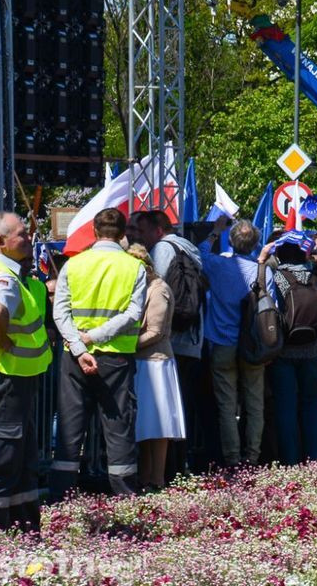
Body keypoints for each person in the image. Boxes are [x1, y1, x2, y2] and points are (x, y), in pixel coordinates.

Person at [50, 208, 146, 501]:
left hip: (74, 358)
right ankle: (125, 496)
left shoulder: (73, 264)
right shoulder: (135, 268)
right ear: (123, 234)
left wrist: (80, 347)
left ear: (94, 231)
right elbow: (133, 314)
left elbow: (60, 312)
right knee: (118, 427)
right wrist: (97, 337)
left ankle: (61, 497)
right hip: (115, 357)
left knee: (70, 426)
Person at [0, 212, 53, 530]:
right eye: (23, 234)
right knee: (1, 459)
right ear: (1, 242)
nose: (30, 238)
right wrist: (1, 341)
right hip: (3, 376)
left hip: (10, 378)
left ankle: (23, 531)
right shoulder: (0, 275)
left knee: (20, 461)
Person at [132, 209, 206, 473]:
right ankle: (175, 467)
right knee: (177, 410)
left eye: (141, 231)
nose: (137, 238)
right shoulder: (191, 251)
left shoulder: (163, 249)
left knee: (161, 414)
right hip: (191, 338)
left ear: (158, 230)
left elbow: (153, 292)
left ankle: (167, 470)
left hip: (167, 342)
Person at [264, 230, 317, 464]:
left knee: (286, 406)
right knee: (312, 405)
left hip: (283, 352)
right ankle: (314, 457)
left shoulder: (276, 279)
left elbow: (270, 314)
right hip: (314, 352)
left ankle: (290, 460)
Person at [199, 217, 267, 467]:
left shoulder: (216, 264)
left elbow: (201, 252)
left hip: (222, 342)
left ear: (231, 241)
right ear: (256, 243)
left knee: (226, 404)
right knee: (254, 402)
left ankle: (232, 457)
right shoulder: (262, 271)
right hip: (253, 344)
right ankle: (253, 455)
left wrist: (215, 231)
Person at [126, 244, 185, 491]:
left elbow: (156, 331)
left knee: (158, 425)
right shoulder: (141, 288)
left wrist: (126, 346)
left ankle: (157, 477)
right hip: (142, 361)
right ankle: (146, 475)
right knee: (144, 424)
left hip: (155, 363)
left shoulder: (158, 289)